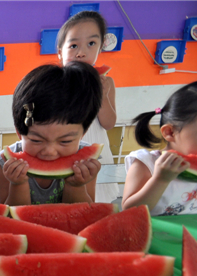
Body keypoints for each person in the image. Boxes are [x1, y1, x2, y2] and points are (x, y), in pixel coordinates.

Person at [122, 80, 197, 216]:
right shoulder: (146, 163)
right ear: (170, 132)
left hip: (195, 234)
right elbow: (130, 211)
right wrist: (161, 179)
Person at [0, 62, 103, 206]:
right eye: (36, 140)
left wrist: (76, 186)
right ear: (20, 133)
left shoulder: (85, 162)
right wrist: (17, 184)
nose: (50, 151)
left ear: (83, 133)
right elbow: (11, 218)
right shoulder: (4, 163)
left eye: (65, 141)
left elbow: (82, 214)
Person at [57, 11, 118, 203]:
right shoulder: (53, 82)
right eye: (73, 45)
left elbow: (108, 124)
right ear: (60, 51)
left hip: (95, 153)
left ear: (100, 48)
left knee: (96, 206)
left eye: (91, 44)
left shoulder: (107, 82)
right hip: (61, 151)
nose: (81, 52)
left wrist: (103, 95)